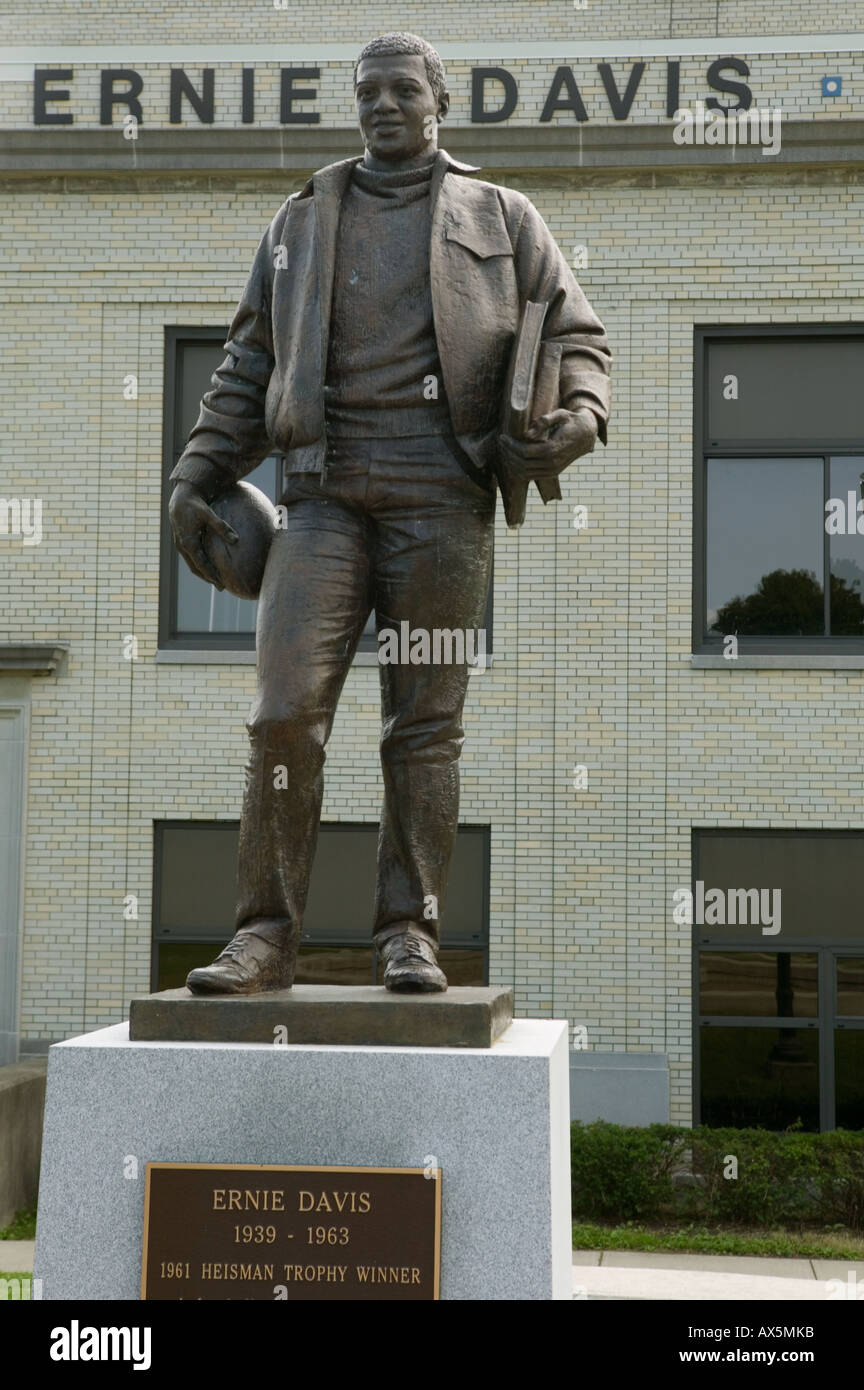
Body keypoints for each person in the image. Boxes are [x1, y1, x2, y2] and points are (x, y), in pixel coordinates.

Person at [168, 32, 611, 995]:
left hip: (443, 497)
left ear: (440, 99)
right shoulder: (302, 218)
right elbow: (247, 364)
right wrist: (195, 474)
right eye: (367, 91)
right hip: (320, 497)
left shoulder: (501, 213)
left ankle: (410, 930)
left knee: (426, 724)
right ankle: (264, 937)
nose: (382, 104)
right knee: (285, 716)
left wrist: (578, 417)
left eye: (402, 88)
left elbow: (576, 335)